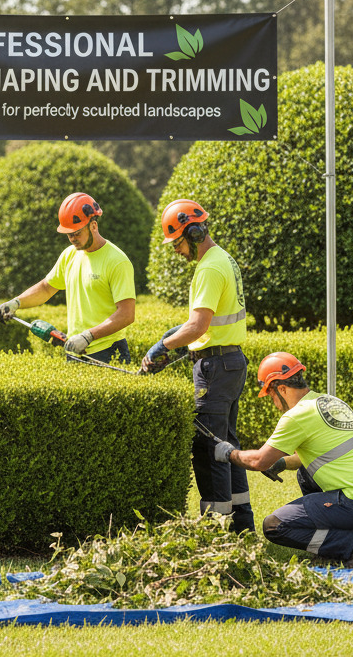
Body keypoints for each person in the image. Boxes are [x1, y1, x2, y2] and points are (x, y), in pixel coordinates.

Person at [214, 352, 353, 568]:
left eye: (271, 395)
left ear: (281, 388)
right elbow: (305, 457)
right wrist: (281, 463)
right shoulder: (328, 401)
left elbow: (258, 461)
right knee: (305, 473)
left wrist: (228, 452)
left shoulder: (296, 416)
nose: (273, 402)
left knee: (275, 526)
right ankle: (335, 546)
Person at [140, 199, 253, 531]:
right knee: (228, 446)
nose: (177, 251)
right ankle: (242, 525)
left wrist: (162, 346)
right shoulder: (224, 260)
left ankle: (216, 529)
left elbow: (198, 327)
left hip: (215, 367)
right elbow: (206, 323)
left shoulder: (209, 268)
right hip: (229, 362)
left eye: (177, 242)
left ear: (194, 231)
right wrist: (176, 337)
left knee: (210, 449)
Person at [0, 192, 136, 364]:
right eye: (69, 234)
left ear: (93, 226)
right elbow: (46, 288)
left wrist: (88, 336)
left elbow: (127, 314)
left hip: (108, 351)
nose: (72, 239)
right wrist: (16, 303)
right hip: (75, 349)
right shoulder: (70, 255)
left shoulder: (117, 261)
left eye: (77, 233)